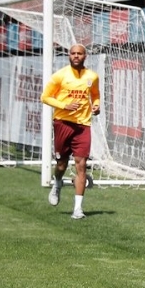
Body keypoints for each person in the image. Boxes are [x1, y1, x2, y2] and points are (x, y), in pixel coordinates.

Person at [40, 43, 101, 220]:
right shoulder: (60, 76)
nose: (76, 56)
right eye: (73, 53)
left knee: (81, 165)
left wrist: (96, 106)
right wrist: (64, 105)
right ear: (69, 55)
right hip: (62, 123)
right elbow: (45, 97)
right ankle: (57, 182)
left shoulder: (92, 76)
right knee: (61, 165)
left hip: (83, 125)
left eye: (79, 54)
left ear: (85, 56)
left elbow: (95, 95)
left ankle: (78, 209)